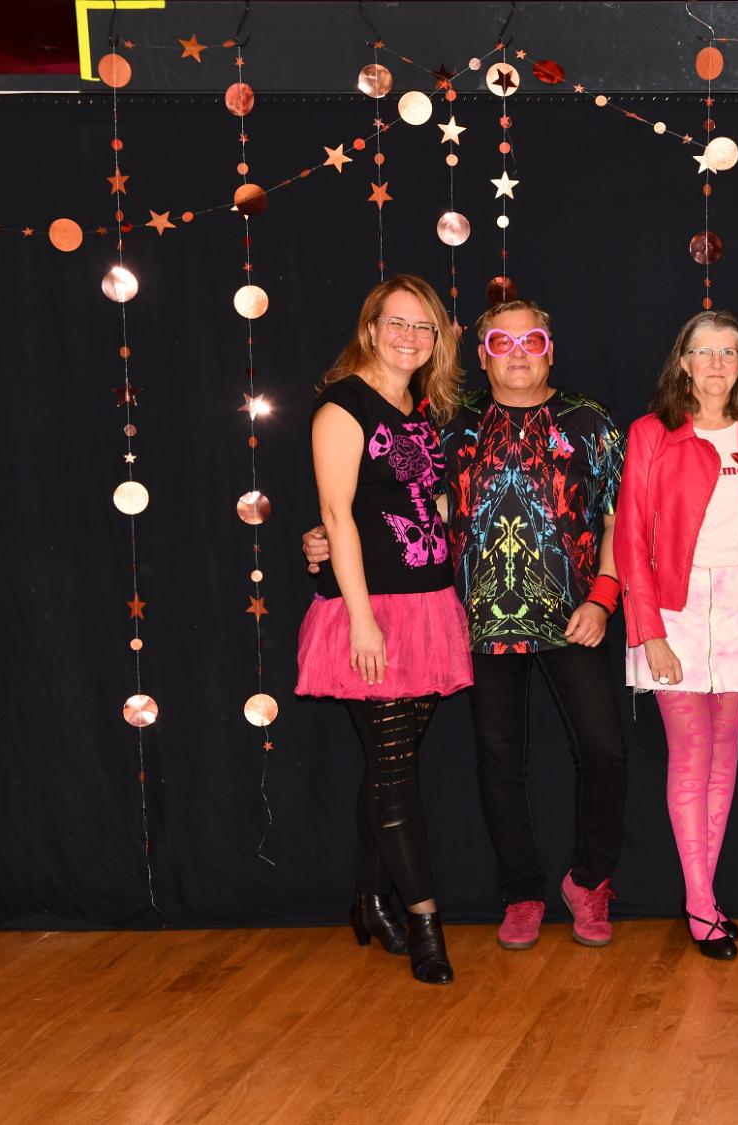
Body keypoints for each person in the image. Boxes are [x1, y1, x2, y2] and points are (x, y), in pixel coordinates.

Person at [304, 297, 629, 956]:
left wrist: (603, 598)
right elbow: (401, 499)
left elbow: (618, 517)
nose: (517, 354)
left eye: (532, 341)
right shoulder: (449, 422)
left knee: (605, 752)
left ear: (551, 350)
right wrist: (325, 537)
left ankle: (590, 880)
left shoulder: (590, 420)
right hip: (475, 619)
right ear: (482, 355)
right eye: (501, 342)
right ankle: (521, 891)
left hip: (575, 616)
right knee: (499, 761)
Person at [294, 275, 471, 986]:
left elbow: (425, 501)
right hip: (372, 610)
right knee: (396, 770)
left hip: (427, 604)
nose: (409, 337)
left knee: (389, 765)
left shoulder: (417, 407)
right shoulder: (343, 406)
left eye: (423, 326)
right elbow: (336, 516)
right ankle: (426, 924)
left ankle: (370, 899)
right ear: (370, 329)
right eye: (397, 323)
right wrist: (362, 621)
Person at [617, 310, 738, 960]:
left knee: (724, 754)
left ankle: (701, 898)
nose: (716, 363)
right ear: (683, 362)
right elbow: (630, 537)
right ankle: (703, 906)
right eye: (704, 351)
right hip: (672, 611)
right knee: (690, 753)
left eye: (728, 352)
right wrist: (648, 630)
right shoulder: (651, 433)